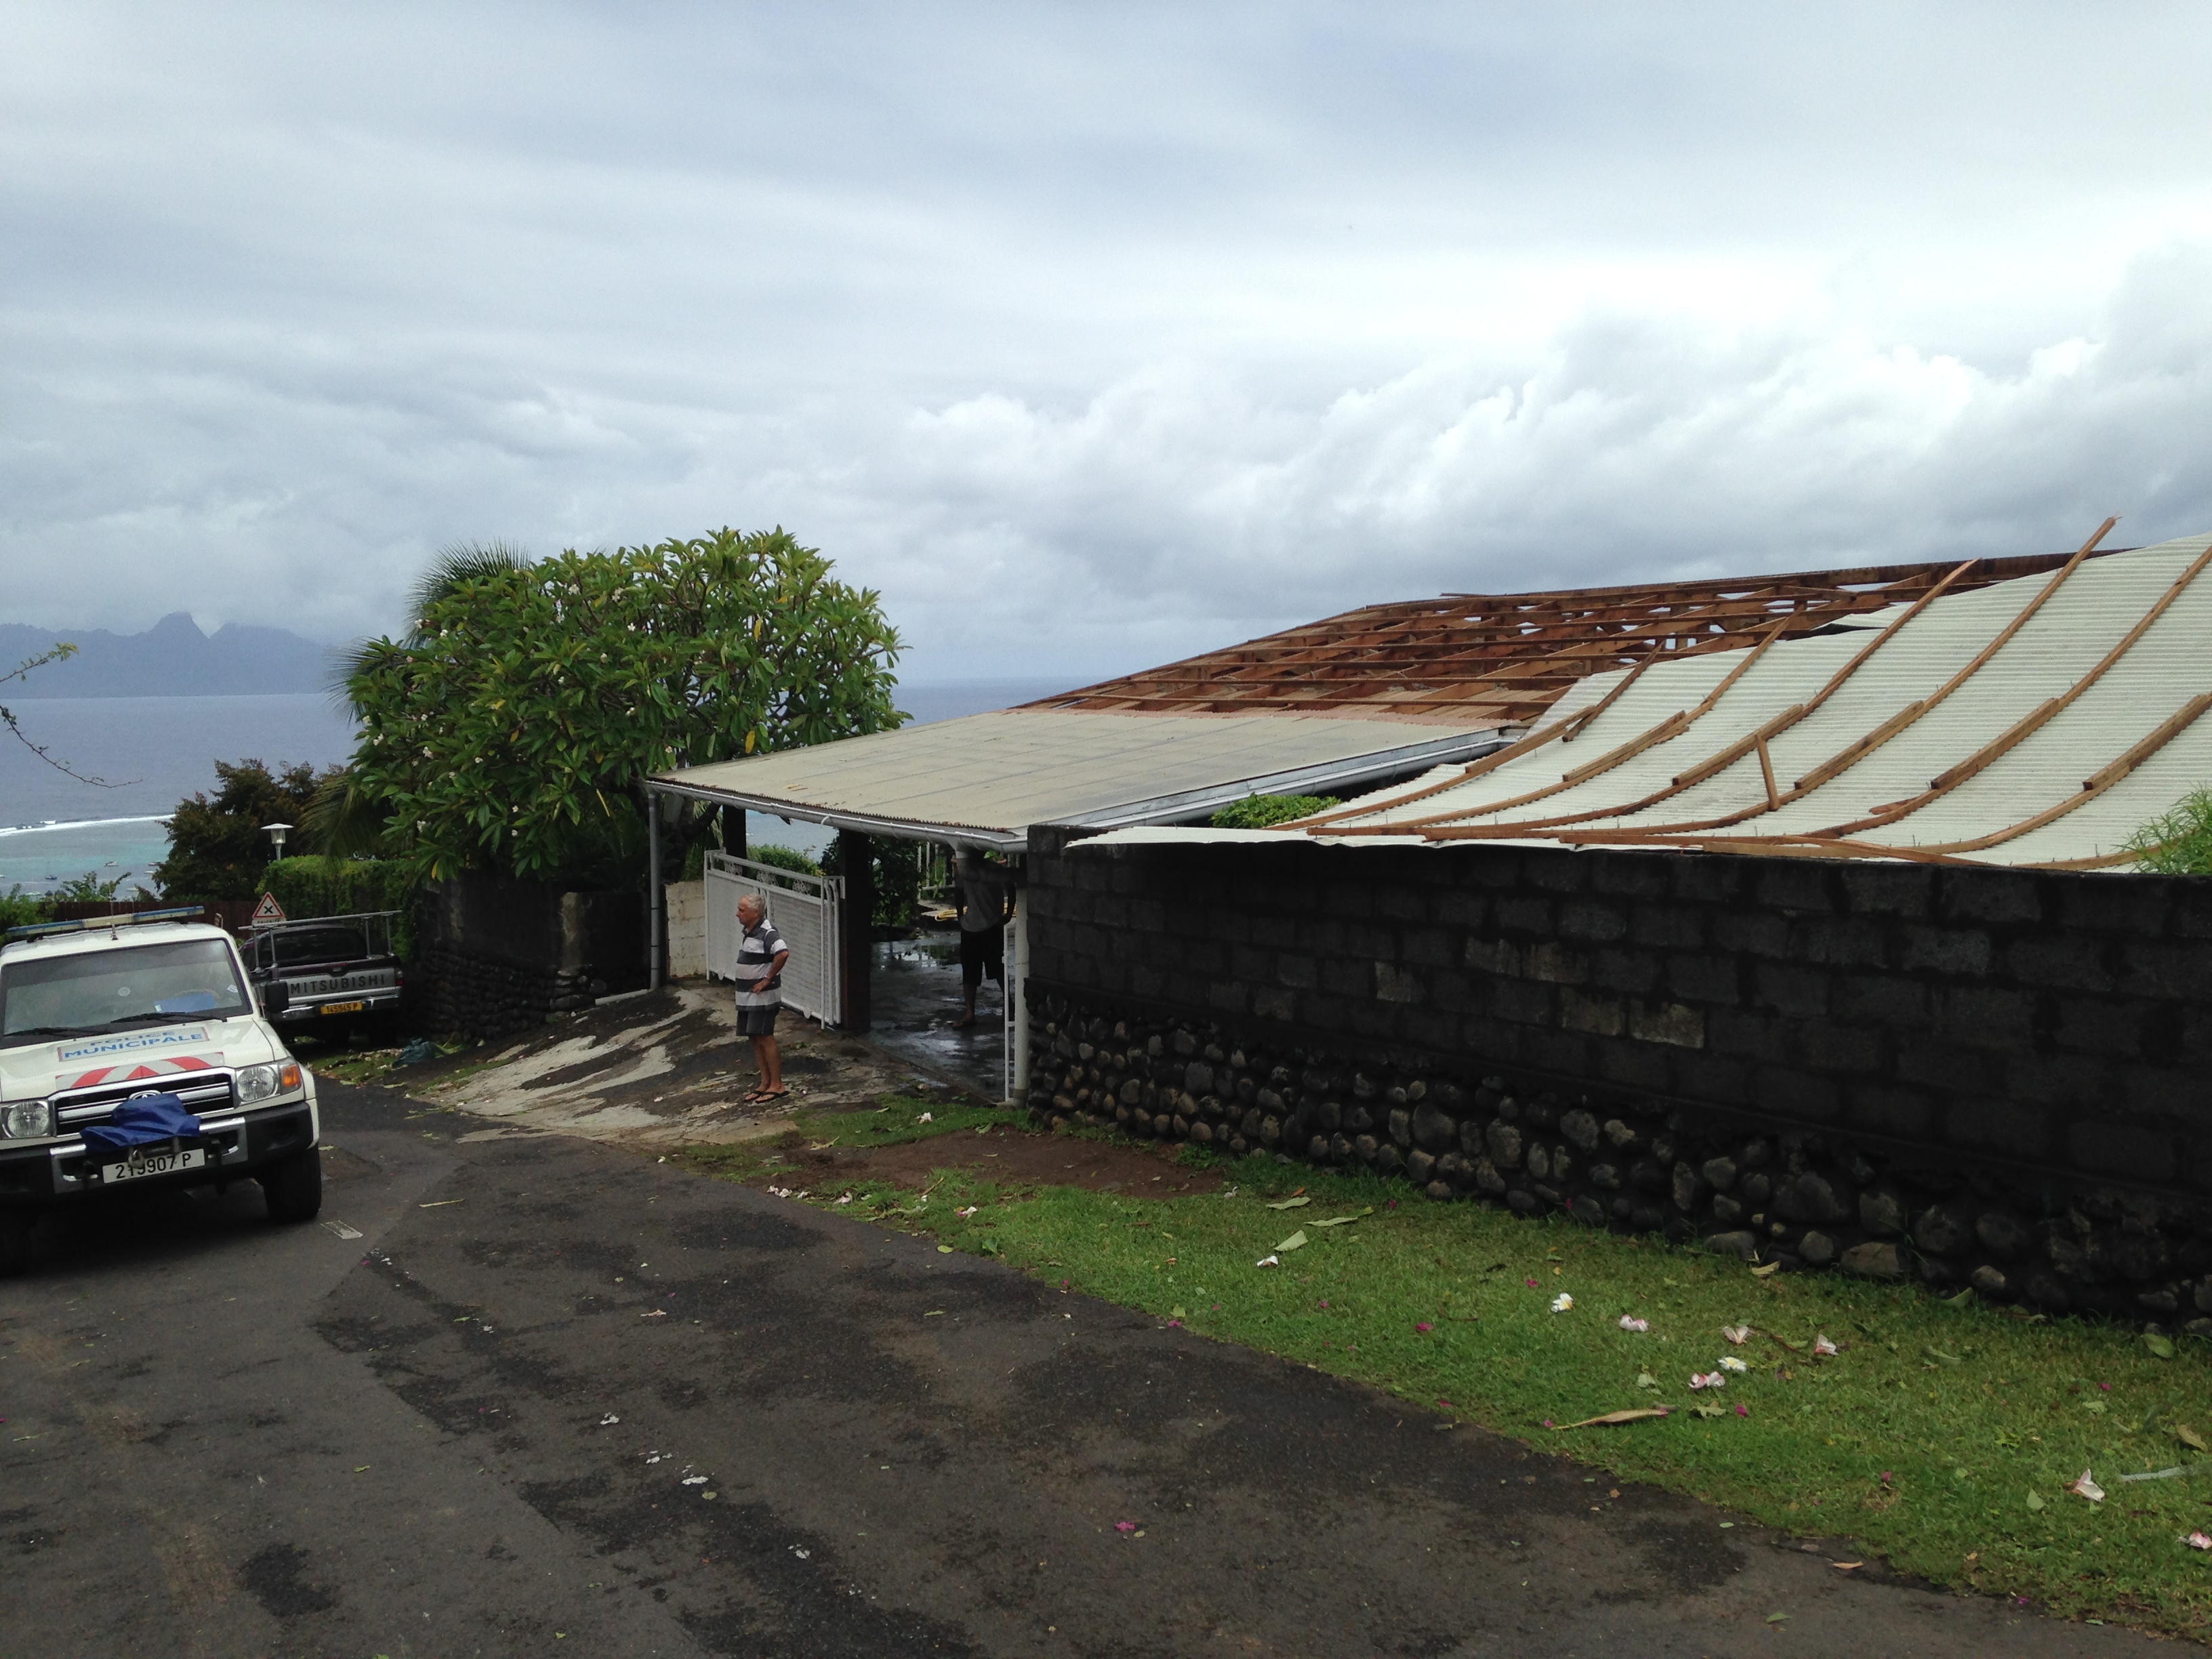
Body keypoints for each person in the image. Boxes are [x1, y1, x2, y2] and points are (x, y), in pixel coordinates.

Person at [733, 892, 790, 1103]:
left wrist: (767, 979)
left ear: (756, 912)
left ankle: (777, 1085)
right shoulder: (750, 931)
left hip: (762, 998)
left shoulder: (767, 932)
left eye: (742, 910)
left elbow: (783, 953)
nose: (737, 913)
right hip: (747, 997)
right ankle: (765, 1082)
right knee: (754, 1036)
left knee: (765, 1036)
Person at [950, 848, 1014, 1029]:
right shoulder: (967, 871)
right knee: (973, 971)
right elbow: (959, 892)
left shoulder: (992, 870)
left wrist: (1008, 914)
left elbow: (1011, 888)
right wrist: (961, 916)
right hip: (974, 925)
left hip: (989, 925)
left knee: (994, 968)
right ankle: (971, 1012)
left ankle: (1007, 1005)